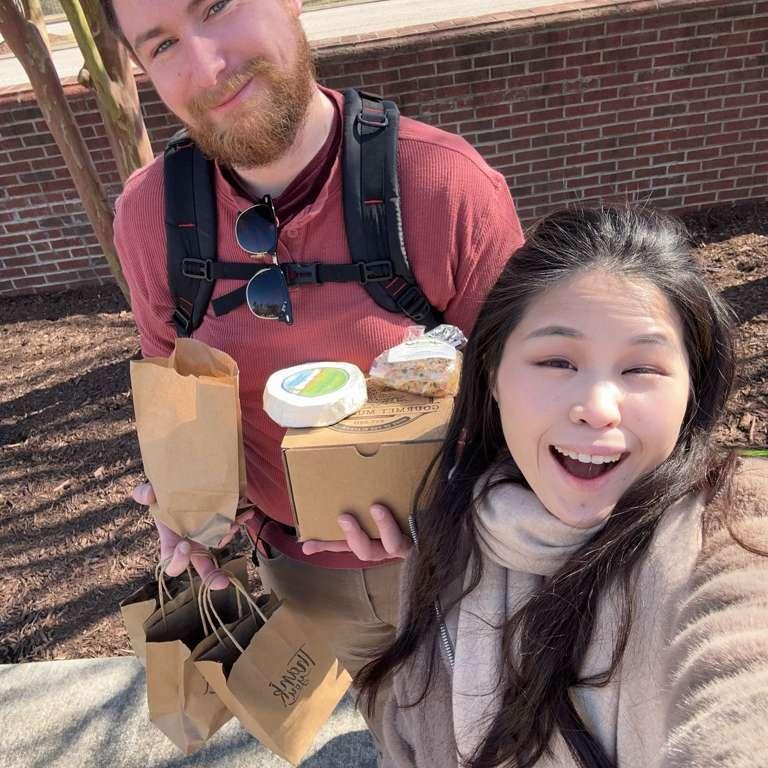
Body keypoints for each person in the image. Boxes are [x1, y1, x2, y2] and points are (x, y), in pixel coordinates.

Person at [102, 0, 524, 754]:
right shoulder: (149, 217)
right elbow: (174, 390)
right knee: (399, 727)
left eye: (217, 7)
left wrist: (463, 521)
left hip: (462, 570)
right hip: (300, 577)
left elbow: (527, 404)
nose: (205, 66)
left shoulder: (442, 187)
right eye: (162, 45)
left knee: (503, 733)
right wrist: (187, 502)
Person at [358, 206, 768, 768]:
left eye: (641, 370)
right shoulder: (451, 533)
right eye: (556, 360)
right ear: (493, 378)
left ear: (691, 391)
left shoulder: (733, 540)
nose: (598, 410)